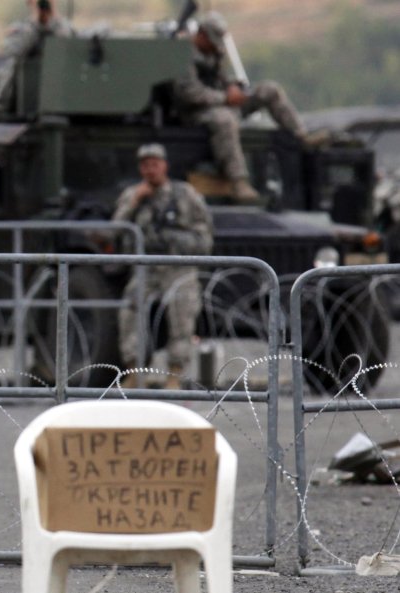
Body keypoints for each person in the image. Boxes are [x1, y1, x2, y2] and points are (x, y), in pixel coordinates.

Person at [173, 11, 324, 202]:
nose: (215, 45)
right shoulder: (181, 55)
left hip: (224, 103)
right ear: (201, 34)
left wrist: (234, 88)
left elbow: (222, 78)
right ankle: (238, 181)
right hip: (196, 113)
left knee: (270, 90)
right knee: (225, 121)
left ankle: (301, 135)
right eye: (211, 40)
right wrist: (225, 98)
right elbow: (190, 93)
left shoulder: (214, 52)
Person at [113, 143, 213, 390]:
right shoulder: (132, 195)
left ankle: (175, 374)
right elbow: (115, 229)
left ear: (164, 166)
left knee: (181, 317)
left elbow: (204, 235)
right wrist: (135, 202)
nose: (150, 170)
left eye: (155, 164)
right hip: (145, 266)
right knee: (129, 314)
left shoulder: (185, 195)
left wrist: (176, 240)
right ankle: (135, 371)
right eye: (145, 165)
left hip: (178, 265)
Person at [0, 0, 74, 115]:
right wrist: (36, 23)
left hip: (59, 95)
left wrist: (54, 19)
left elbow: (68, 46)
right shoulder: (21, 28)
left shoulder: (64, 27)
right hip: (22, 99)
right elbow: (14, 50)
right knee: (14, 63)